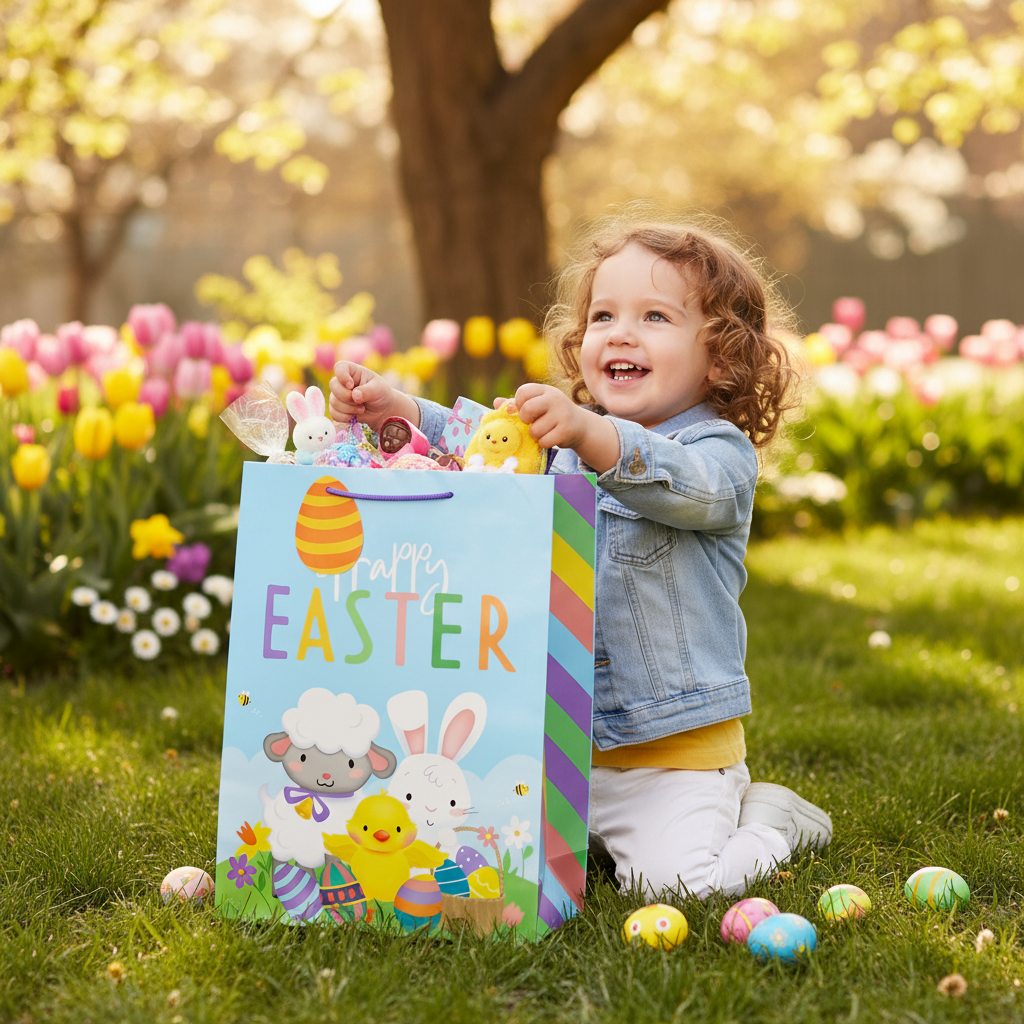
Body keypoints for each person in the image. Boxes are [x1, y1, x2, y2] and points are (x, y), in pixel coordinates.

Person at [327, 216, 832, 899]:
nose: (621, 332)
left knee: (675, 887)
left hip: (669, 759)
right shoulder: (570, 441)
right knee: (478, 866)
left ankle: (773, 822)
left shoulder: (719, 455)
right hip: (553, 751)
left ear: (721, 358)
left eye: (655, 316)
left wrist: (597, 436)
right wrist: (400, 410)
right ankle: (588, 833)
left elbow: (686, 485)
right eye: (603, 316)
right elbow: (487, 442)